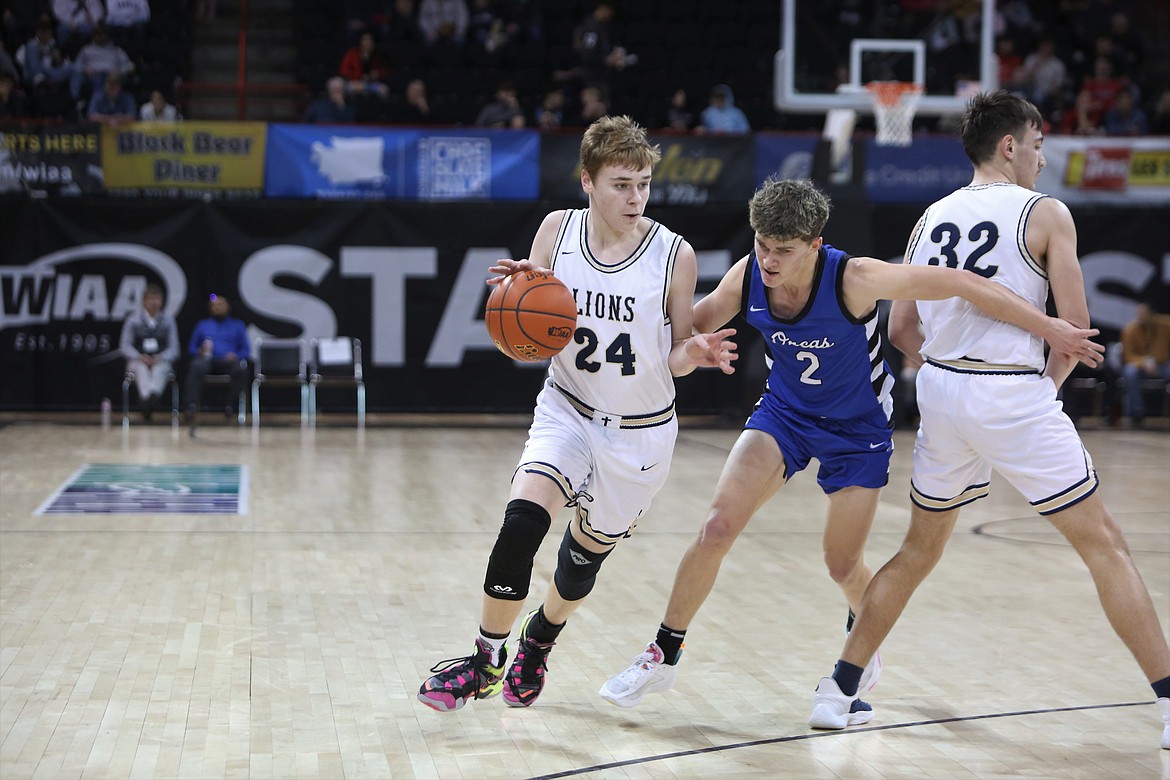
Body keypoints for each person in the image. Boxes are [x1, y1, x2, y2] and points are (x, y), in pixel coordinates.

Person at [599, 175, 1102, 711]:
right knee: (717, 526)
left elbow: (964, 282)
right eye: (762, 245)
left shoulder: (855, 278)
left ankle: (859, 656)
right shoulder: (748, 273)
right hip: (785, 415)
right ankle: (663, 655)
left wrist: (1048, 326)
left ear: (815, 245)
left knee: (841, 566)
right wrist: (691, 346)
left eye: (783, 251)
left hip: (857, 429)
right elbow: (685, 330)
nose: (768, 260)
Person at [806, 90, 1170, 751]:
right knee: (1105, 547)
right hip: (1011, 392)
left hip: (943, 394)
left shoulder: (931, 216)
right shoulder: (1045, 213)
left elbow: (902, 327)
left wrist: (946, 369)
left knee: (918, 550)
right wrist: (1038, 394)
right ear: (1010, 145)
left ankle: (838, 688)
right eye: (1035, 146)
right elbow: (1075, 331)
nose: (1040, 159)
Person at [416, 115, 738, 713]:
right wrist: (518, 303)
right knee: (520, 525)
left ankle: (540, 637)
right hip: (567, 406)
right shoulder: (556, 231)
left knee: (578, 565)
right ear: (587, 181)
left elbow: (674, 353)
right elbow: (532, 319)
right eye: (621, 184)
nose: (636, 197)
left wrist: (693, 351)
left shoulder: (674, 253)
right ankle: (485, 659)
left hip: (640, 436)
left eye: (643, 183)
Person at [183, 293, 251, 421]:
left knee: (240, 369)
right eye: (214, 305)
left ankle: (231, 405)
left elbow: (246, 350)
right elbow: (191, 348)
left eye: (220, 305)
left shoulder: (238, 325)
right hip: (208, 360)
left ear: (227, 306)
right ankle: (190, 406)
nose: (217, 308)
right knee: (196, 365)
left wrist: (236, 355)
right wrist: (199, 351)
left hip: (227, 361)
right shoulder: (202, 325)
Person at [119, 283, 179, 421]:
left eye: (157, 299)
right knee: (141, 370)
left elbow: (174, 348)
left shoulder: (169, 321)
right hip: (138, 360)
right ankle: (149, 399)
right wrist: (139, 356)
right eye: (151, 299)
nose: (154, 302)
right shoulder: (133, 320)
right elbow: (124, 346)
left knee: (160, 369)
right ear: (144, 301)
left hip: (160, 359)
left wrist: (161, 357)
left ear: (162, 302)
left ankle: (149, 399)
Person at [1119, 296, 1170, 427]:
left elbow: (1164, 349)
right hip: (1139, 366)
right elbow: (1128, 356)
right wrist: (1144, 362)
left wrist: (1155, 361)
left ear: (1152, 314)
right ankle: (1137, 413)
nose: (1140, 316)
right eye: (1138, 313)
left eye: (1143, 313)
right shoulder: (1130, 330)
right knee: (1129, 372)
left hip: (1163, 364)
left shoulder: (1166, 326)